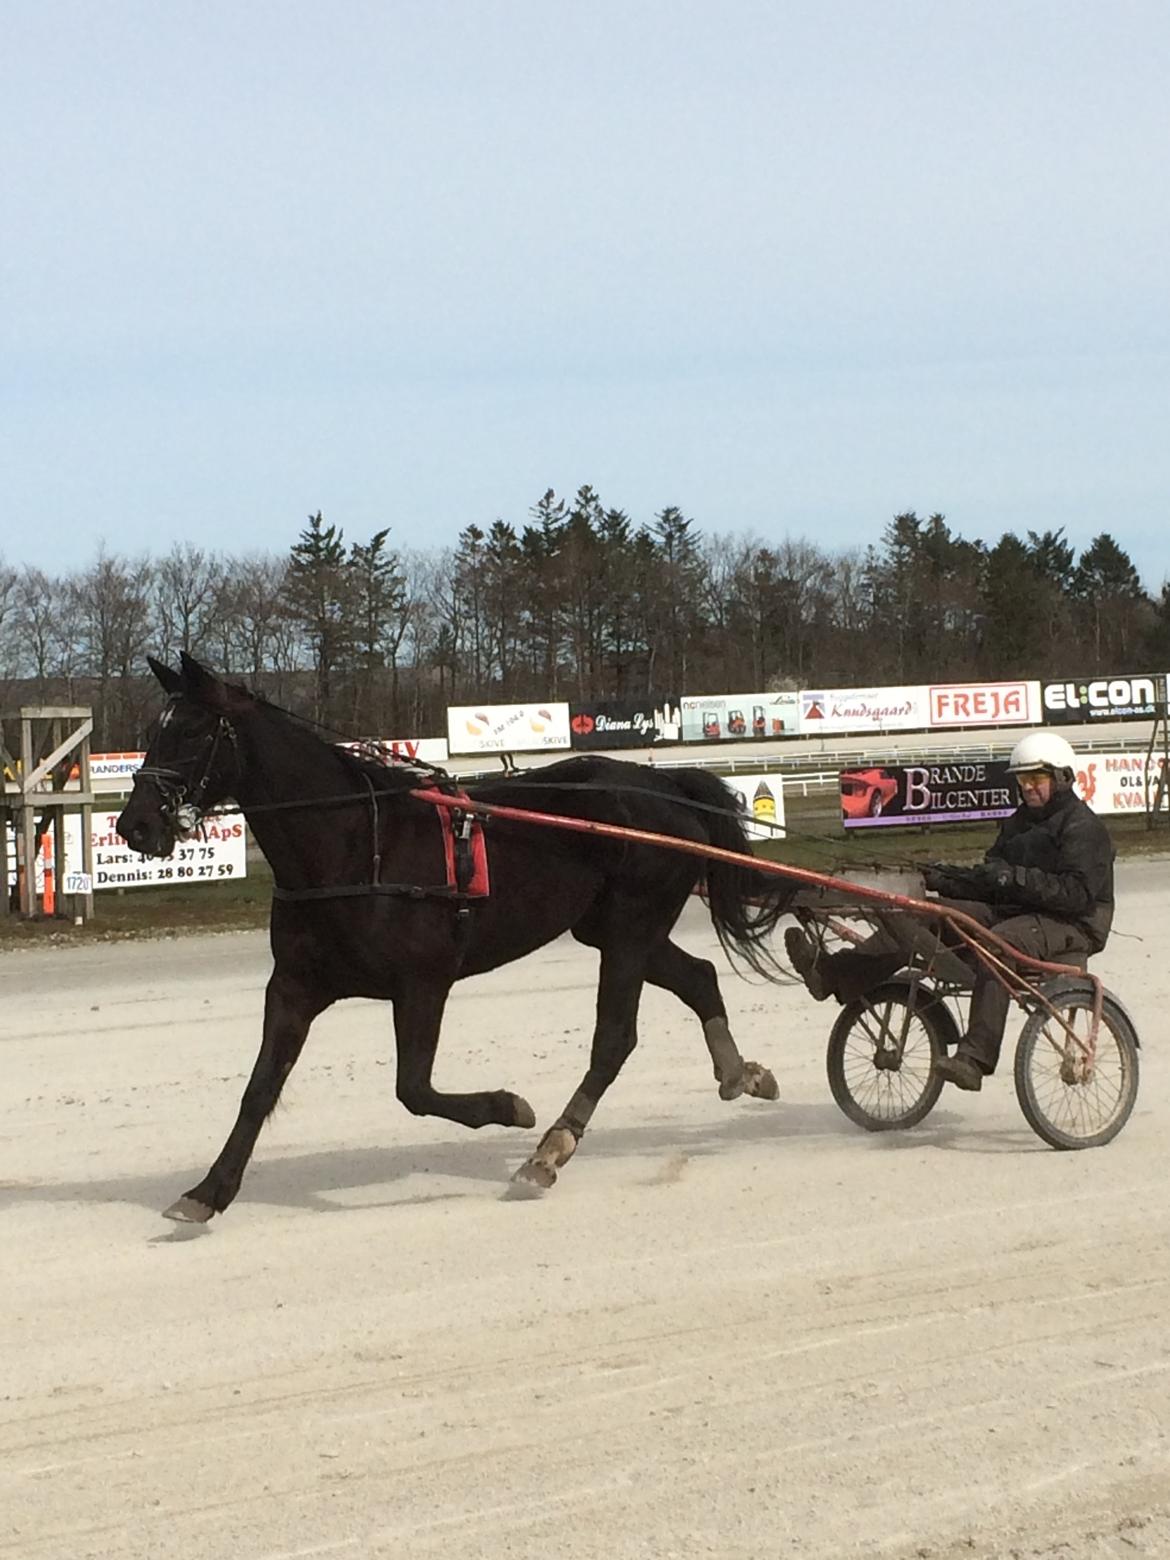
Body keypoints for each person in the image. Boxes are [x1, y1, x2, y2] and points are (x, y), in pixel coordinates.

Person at [785, 731, 1115, 1091]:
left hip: (1072, 924)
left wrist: (1012, 879)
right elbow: (992, 881)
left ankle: (974, 1059)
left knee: (998, 943)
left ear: (1063, 778)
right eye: (1023, 780)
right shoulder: (1019, 823)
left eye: (1037, 779)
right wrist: (942, 878)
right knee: (918, 912)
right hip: (1015, 913)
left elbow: (1077, 895)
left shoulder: (1083, 827)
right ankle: (833, 974)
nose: (1029, 788)